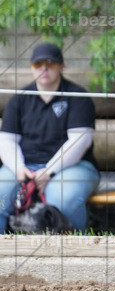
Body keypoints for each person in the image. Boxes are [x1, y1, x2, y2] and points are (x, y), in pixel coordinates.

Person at [0, 43, 100, 233]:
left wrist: (49, 172)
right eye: (38, 64)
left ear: (62, 66)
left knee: (64, 198)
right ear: (31, 67)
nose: (44, 69)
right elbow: (6, 141)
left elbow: (80, 141)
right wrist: (19, 168)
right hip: (23, 167)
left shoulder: (78, 97)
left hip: (74, 167)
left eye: (51, 63)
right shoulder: (18, 100)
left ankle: (77, 253)